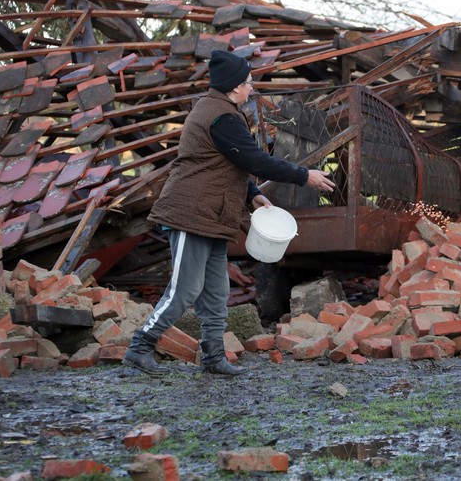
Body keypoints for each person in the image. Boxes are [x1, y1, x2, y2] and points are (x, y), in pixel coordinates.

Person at [123, 49, 335, 377]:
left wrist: (252, 195)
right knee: (184, 290)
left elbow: (228, 163)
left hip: (211, 215)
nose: (251, 89)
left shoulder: (222, 112)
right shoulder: (220, 115)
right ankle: (140, 347)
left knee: (216, 292)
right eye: (249, 83)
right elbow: (254, 160)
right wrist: (304, 175)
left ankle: (213, 358)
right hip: (191, 212)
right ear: (236, 86)